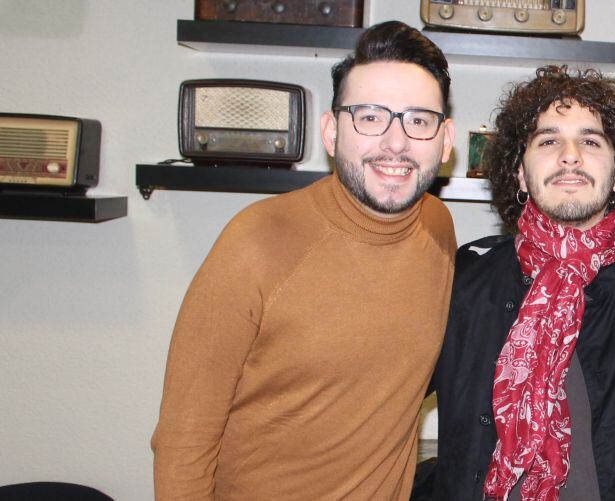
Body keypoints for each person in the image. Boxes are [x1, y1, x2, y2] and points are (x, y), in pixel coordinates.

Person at [151, 21, 457, 500]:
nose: (396, 143)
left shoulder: (437, 230)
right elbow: (182, 443)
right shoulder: (256, 242)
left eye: (418, 120)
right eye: (370, 117)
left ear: (445, 139)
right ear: (332, 132)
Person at [414, 65, 615, 501]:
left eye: (590, 141)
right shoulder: (461, 285)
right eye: (549, 140)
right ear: (519, 172)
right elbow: (376, 409)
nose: (570, 155)